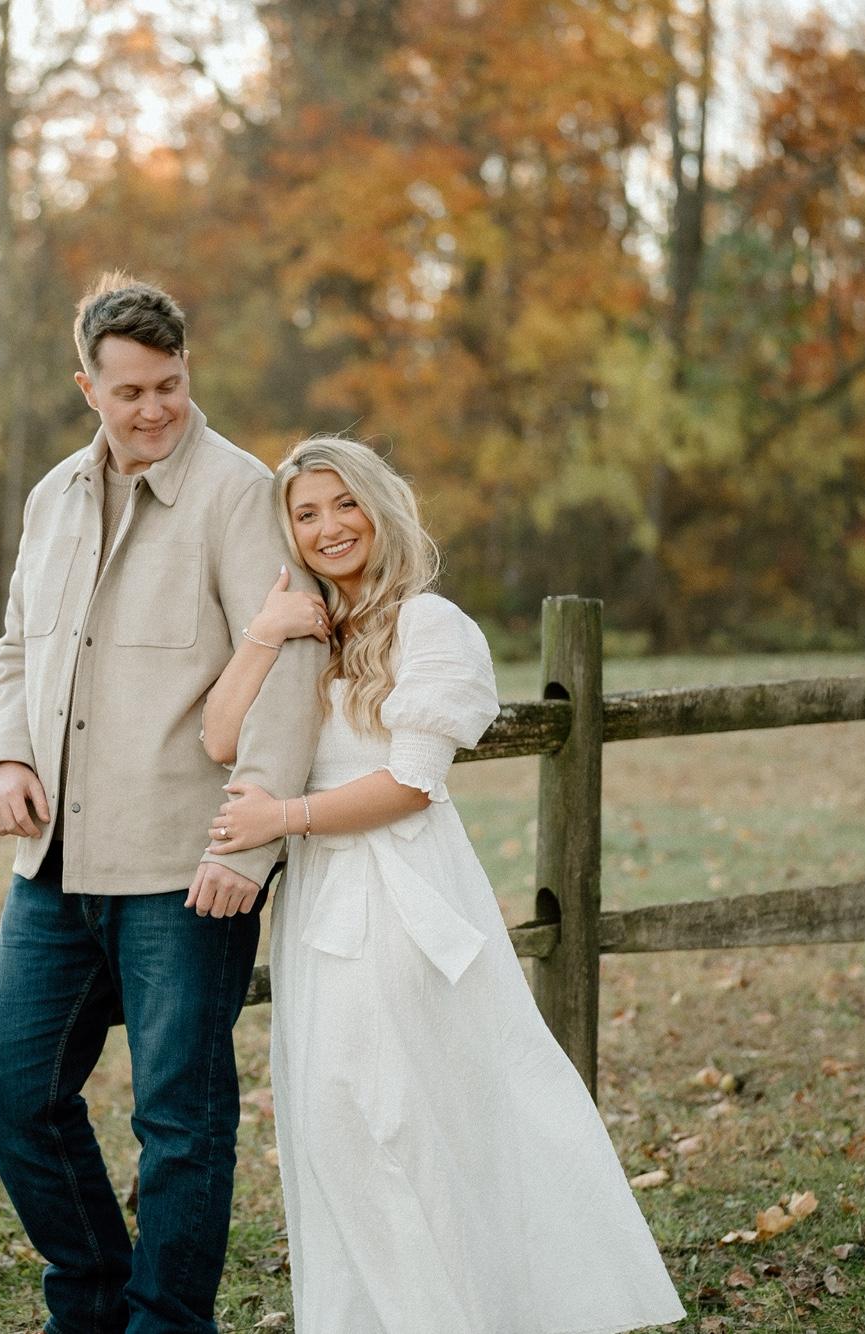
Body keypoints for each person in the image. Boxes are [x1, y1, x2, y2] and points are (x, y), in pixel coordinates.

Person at [202, 436, 686, 1333]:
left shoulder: (429, 625)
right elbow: (221, 738)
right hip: (318, 901)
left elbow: (413, 782)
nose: (329, 527)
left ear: (381, 508)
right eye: (306, 513)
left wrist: (282, 818)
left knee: (403, 1115)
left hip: (400, 891)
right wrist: (265, 633)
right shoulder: (309, 631)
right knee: (334, 1119)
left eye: (345, 503)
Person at [0, 274, 325, 1334]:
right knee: (11, 1082)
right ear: (87, 386)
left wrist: (248, 845)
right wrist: (3, 757)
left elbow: (290, 669)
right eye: (129, 391)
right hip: (53, 864)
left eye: (168, 385)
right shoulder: (51, 498)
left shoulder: (240, 493)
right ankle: (89, 1301)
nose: (154, 408)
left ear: (186, 371)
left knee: (180, 1120)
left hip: (187, 868)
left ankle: (167, 1323)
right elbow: (15, 649)